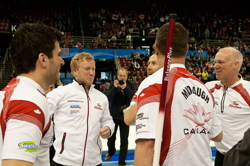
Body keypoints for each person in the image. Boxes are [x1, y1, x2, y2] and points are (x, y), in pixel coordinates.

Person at [134, 22, 223, 166]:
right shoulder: (204, 87)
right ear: (187, 49)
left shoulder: (155, 82)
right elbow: (218, 136)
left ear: (155, 49)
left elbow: (147, 144)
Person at [0, 23, 64, 166]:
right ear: (43, 59)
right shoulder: (29, 102)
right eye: (58, 55)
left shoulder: (10, 93)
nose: (62, 62)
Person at [47, 52, 115, 166]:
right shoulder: (61, 93)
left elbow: (107, 120)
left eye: (93, 68)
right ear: (74, 71)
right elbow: (40, 115)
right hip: (64, 162)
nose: (92, 72)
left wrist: (108, 128)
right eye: (87, 69)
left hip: (94, 162)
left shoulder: (101, 98)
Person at [205, 47, 250, 166]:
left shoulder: (248, 90)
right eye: (215, 62)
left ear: (235, 65)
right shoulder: (208, 87)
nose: (215, 66)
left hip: (243, 157)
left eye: (221, 62)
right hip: (220, 154)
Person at [104, 68, 136, 166]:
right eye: (120, 76)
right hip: (113, 116)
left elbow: (134, 97)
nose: (122, 78)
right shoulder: (112, 85)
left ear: (127, 76)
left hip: (126, 117)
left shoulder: (131, 85)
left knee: (124, 140)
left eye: (124, 76)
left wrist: (125, 87)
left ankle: (122, 162)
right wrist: (114, 87)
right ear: (117, 76)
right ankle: (111, 152)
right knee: (111, 138)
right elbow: (107, 98)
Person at [124, 54, 160, 126]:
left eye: (154, 63)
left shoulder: (172, 87)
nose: (148, 67)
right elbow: (128, 118)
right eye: (148, 63)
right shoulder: (142, 88)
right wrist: (149, 97)